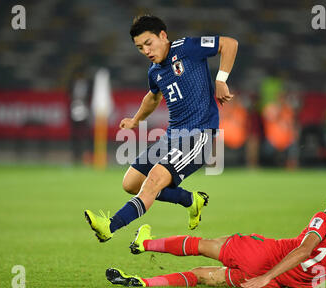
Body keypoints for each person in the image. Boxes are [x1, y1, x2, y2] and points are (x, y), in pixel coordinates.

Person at [84, 15, 238, 242]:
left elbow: (229, 44)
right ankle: (190, 200)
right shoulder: (154, 71)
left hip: (198, 135)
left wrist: (221, 79)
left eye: (148, 43)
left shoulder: (187, 48)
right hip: (171, 136)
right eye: (139, 47)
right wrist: (135, 120)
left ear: (163, 36)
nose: (146, 50)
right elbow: (152, 98)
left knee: (153, 181)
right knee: (131, 183)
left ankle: (110, 226)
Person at [106, 186, 326, 288]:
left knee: (203, 246)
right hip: (275, 283)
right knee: (203, 276)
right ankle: (143, 283)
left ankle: (143, 244)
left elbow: (304, 250)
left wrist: (266, 275)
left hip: (266, 258)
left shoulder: (325, 220)